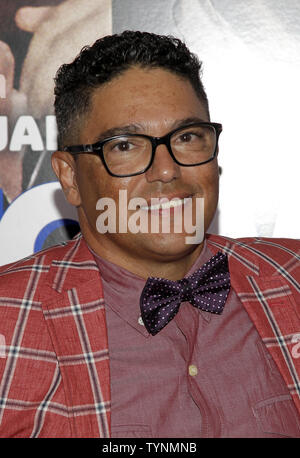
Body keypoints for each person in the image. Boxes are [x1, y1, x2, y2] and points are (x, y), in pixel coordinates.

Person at [0, 30, 299, 438]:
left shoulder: (293, 277)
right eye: (125, 146)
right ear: (70, 177)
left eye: (187, 137)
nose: (166, 170)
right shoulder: (8, 318)